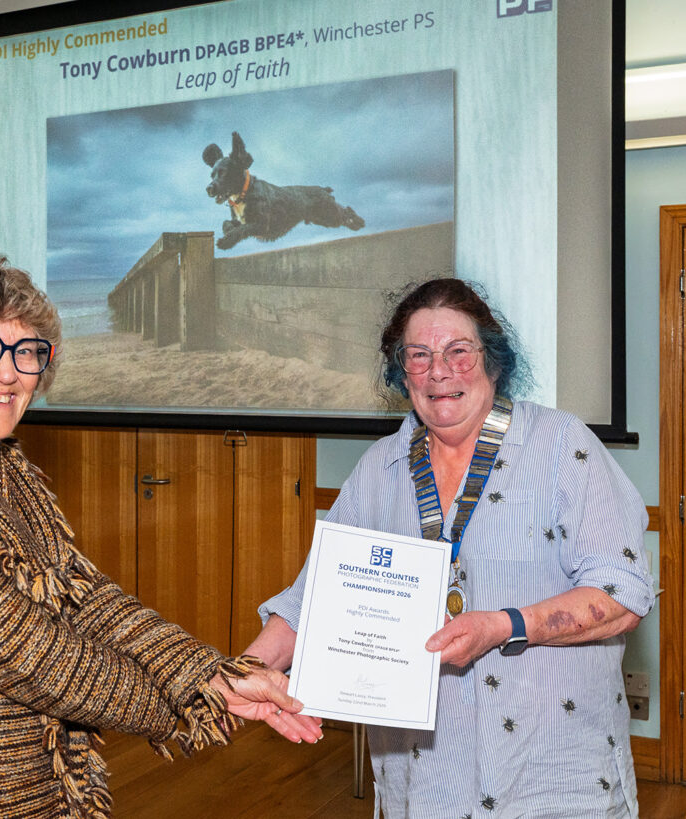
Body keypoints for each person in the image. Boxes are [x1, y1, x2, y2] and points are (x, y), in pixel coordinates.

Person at [0, 259, 321, 818]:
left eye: (27, 352)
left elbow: (85, 599)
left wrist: (205, 672)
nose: (8, 373)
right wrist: (198, 702)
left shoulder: (4, 467)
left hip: (36, 791)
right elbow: (24, 650)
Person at [246, 278, 655, 817]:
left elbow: (620, 593)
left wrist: (501, 626)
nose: (439, 371)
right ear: (401, 371)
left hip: (554, 777)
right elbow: (313, 602)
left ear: (493, 359)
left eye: (458, 352)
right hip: (426, 781)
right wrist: (245, 671)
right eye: (419, 356)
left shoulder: (562, 448)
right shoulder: (379, 472)